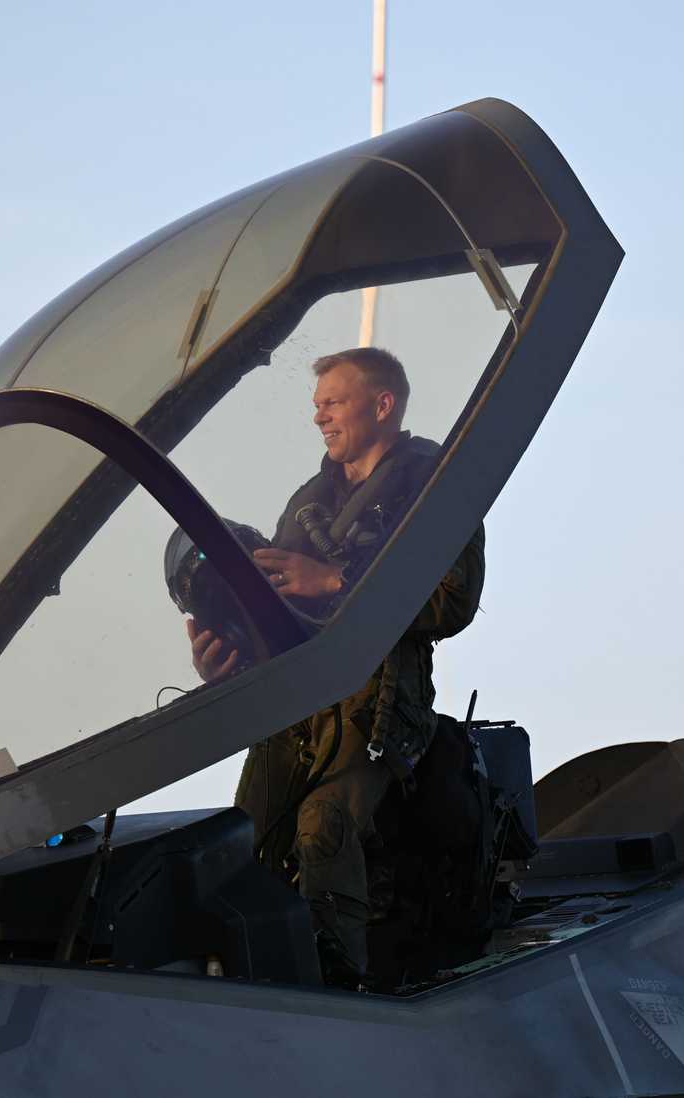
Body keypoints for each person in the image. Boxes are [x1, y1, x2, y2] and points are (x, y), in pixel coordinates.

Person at [184, 347, 486, 987]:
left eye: (332, 402)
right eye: (317, 403)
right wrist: (226, 656)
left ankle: (334, 991)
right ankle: (232, 982)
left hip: (377, 709)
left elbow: (453, 599)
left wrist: (336, 579)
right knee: (237, 843)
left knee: (323, 828)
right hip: (296, 710)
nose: (318, 416)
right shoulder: (307, 501)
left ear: (384, 405)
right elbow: (278, 615)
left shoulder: (436, 482)